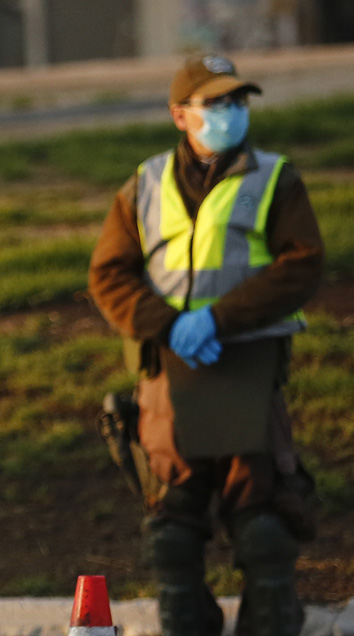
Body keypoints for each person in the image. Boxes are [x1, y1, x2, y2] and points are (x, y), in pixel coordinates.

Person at [88, 54, 324, 635]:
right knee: (171, 530)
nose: (230, 112)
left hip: (247, 367)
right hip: (168, 374)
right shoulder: (143, 185)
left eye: (238, 101)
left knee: (265, 526)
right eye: (215, 103)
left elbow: (302, 265)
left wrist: (218, 319)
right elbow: (108, 275)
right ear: (179, 114)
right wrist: (169, 326)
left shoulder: (275, 179)